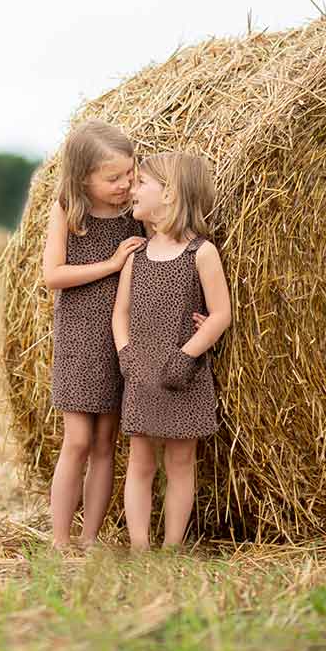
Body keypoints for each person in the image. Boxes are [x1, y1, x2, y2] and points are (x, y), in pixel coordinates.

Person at [113, 152, 231, 551]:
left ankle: (171, 546)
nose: (132, 189)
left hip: (185, 376)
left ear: (172, 194)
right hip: (142, 375)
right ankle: (140, 545)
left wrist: (187, 355)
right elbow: (121, 313)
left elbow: (220, 314)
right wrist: (125, 354)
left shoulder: (201, 252)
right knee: (140, 463)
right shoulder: (137, 255)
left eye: (142, 183)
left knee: (180, 463)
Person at [42, 120, 145, 548]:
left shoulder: (133, 213)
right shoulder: (68, 207)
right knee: (78, 440)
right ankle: (59, 540)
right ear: (83, 177)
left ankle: (90, 538)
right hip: (80, 336)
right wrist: (110, 264)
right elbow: (53, 275)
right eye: (113, 178)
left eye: (129, 174)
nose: (124, 184)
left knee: (106, 442)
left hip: (123, 337)